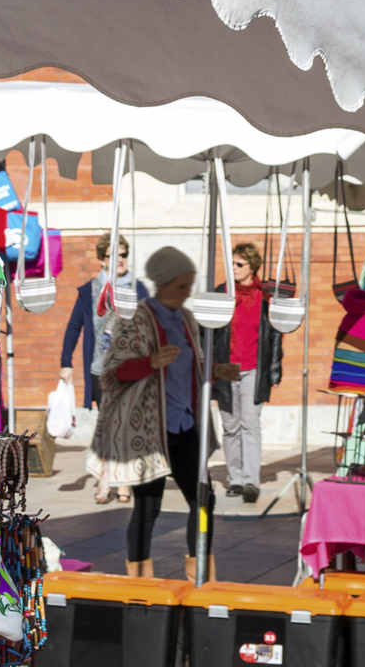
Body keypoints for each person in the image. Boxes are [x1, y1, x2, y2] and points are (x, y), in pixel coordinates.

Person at [93, 246, 240, 580]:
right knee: (147, 508)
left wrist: (215, 371)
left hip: (185, 425)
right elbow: (112, 373)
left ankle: (199, 570)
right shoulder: (136, 318)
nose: (186, 293)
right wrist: (150, 363)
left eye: (189, 286)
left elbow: (191, 366)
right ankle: (140, 578)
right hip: (151, 429)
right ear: (162, 283)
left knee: (204, 500)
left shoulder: (187, 319)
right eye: (181, 286)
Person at [208, 241, 284, 503]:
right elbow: (210, 332)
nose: (234, 268)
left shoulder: (266, 296)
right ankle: (236, 479)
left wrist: (274, 370)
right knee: (230, 426)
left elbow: (275, 336)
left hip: (254, 367)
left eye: (239, 264)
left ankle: (251, 481)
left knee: (250, 424)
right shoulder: (222, 293)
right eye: (232, 263)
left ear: (252, 267)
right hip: (227, 367)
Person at [60, 235, 131, 503]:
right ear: (103, 260)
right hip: (101, 369)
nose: (120, 260)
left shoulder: (135, 288)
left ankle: (118, 482)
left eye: (124, 255)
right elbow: (73, 327)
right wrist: (65, 362)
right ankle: (109, 479)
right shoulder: (90, 290)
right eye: (114, 255)